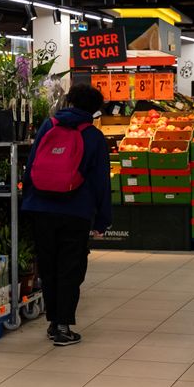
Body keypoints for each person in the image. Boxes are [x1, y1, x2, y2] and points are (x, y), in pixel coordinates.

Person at [21, 83, 112, 347]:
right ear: (95, 110)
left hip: (41, 208)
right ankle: (62, 326)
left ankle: (52, 322)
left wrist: (29, 200)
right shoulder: (93, 137)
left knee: (47, 267)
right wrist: (102, 219)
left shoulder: (48, 126)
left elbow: (31, 166)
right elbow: (100, 183)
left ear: (69, 101)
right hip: (76, 211)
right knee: (70, 269)